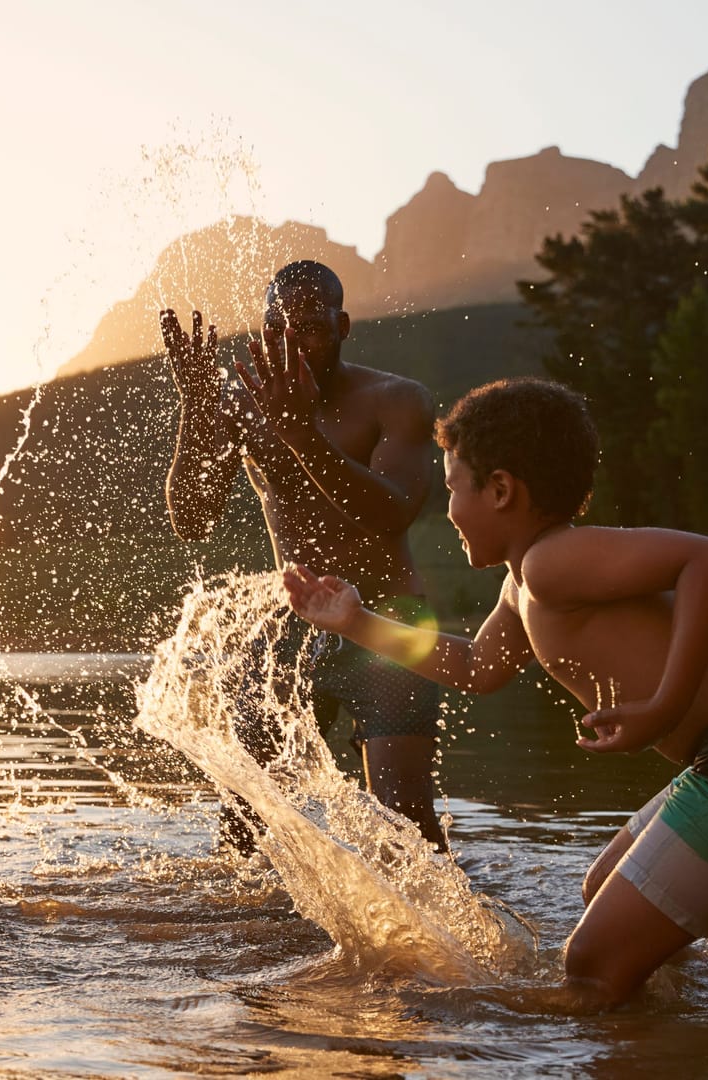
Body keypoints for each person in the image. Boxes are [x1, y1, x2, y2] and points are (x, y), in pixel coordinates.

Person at [280, 376, 708, 1009]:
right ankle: (689, 1021)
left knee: (589, 966)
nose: (447, 510)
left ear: (502, 490)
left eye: (454, 488)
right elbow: (479, 667)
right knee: (602, 891)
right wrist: (354, 620)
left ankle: (603, 1017)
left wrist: (666, 706)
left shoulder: (553, 561)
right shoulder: (523, 586)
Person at [160, 260, 446, 851]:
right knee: (242, 832)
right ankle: (260, 941)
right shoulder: (246, 406)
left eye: (312, 327)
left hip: (390, 620)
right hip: (289, 625)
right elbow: (191, 522)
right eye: (278, 326)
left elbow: (392, 511)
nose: (292, 341)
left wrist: (300, 433)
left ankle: (446, 943)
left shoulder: (396, 400)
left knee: (408, 832)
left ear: (343, 326)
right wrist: (199, 403)